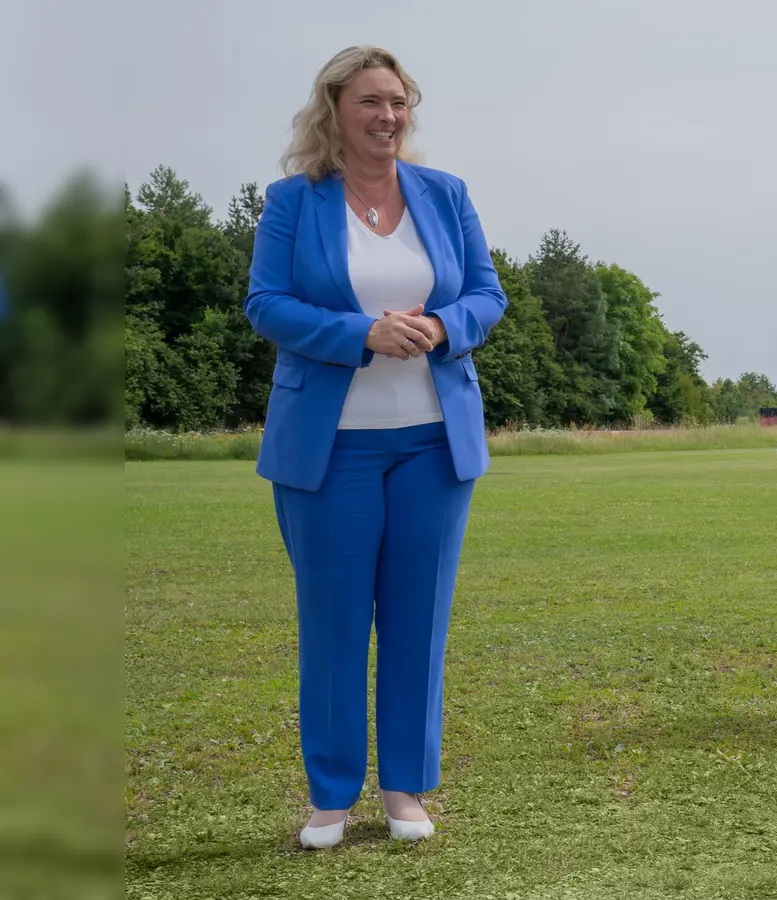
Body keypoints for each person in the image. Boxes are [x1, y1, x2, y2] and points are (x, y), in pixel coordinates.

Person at [244, 45, 507, 849]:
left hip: (433, 442)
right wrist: (361, 332)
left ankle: (404, 792)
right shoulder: (294, 201)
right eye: (370, 102)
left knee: (417, 621)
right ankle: (330, 797)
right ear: (333, 111)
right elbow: (267, 305)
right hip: (330, 450)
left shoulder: (446, 194)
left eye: (398, 101)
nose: (388, 116)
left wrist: (438, 326)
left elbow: (486, 295)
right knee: (332, 621)